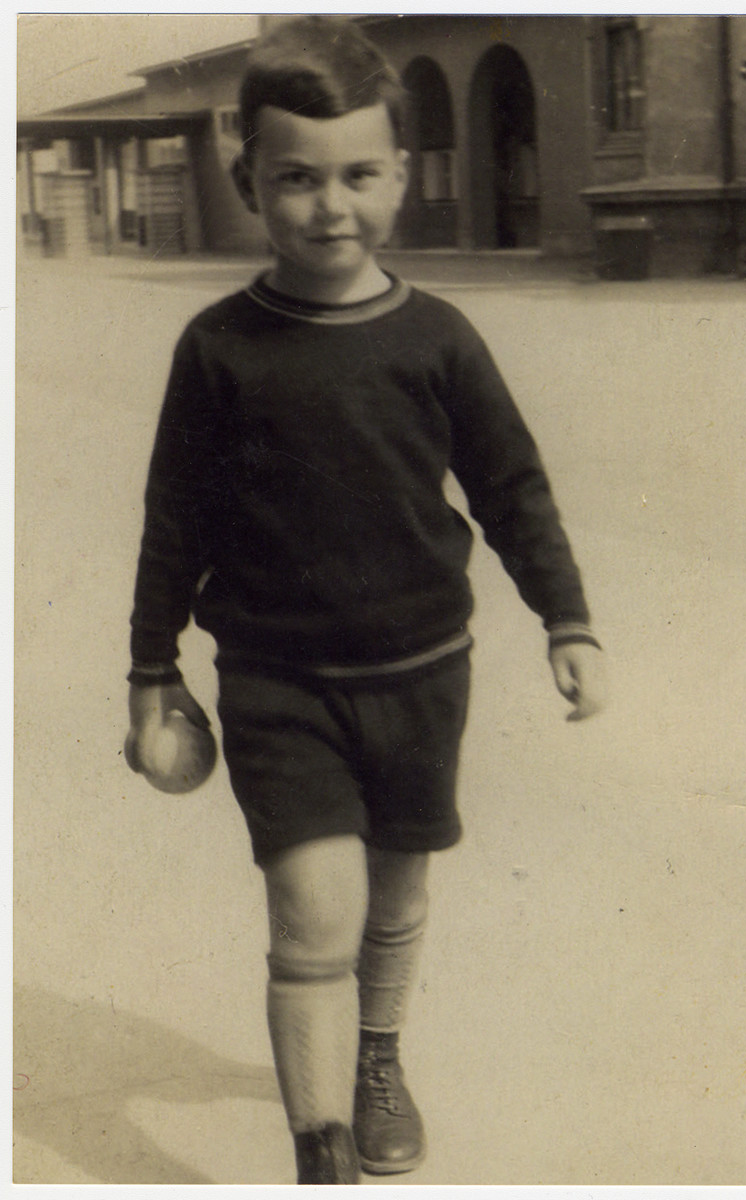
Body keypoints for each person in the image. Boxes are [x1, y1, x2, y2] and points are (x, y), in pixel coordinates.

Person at [124, 15, 606, 1185]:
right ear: (250, 181)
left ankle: (376, 1057)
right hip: (278, 683)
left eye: (357, 175)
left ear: (398, 173)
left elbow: (513, 489)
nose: (330, 206)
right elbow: (173, 519)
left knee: (395, 892)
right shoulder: (219, 348)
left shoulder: (438, 340)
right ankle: (319, 1148)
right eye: (297, 178)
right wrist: (149, 673)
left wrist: (568, 618)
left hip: (422, 673)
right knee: (309, 922)